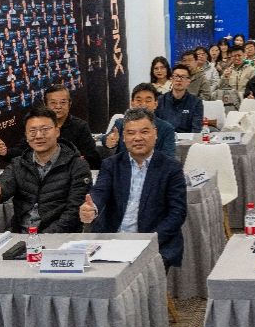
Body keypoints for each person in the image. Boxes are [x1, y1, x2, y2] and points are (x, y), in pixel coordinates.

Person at [78, 108, 187, 267]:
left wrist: (149, 240)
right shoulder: (111, 164)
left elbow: (177, 213)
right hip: (113, 240)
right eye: (130, 133)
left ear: (155, 133)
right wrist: (92, 208)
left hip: (154, 241)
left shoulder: (171, 168)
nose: (137, 138)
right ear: (123, 137)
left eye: (144, 132)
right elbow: (100, 192)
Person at [0, 105, 92, 234]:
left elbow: (73, 213)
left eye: (45, 130)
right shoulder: (18, 163)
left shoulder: (77, 165)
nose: (39, 136)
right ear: (26, 135)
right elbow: (4, 186)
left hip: (59, 237)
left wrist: (42, 238)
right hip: (21, 236)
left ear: (57, 131)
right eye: (32, 131)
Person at [0, 84, 102, 170]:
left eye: (63, 102)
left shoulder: (80, 126)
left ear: (69, 104)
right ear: (45, 105)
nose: (58, 106)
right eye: (53, 103)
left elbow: (93, 158)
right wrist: (5, 152)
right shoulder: (37, 124)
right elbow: (22, 150)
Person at [103, 83, 177, 159]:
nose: (143, 104)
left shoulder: (166, 128)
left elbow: (169, 157)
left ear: (155, 104)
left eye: (148, 101)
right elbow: (107, 138)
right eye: (139, 100)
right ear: (132, 103)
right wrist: (108, 141)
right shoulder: (120, 123)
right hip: (124, 165)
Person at [155, 64, 205, 133]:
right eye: (176, 76)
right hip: (165, 137)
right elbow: (155, 126)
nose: (179, 80)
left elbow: (196, 129)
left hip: (187, 138)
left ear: (189, 81)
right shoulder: (160, 100)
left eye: (183, 77)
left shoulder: (196, 102)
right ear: (171, 79)